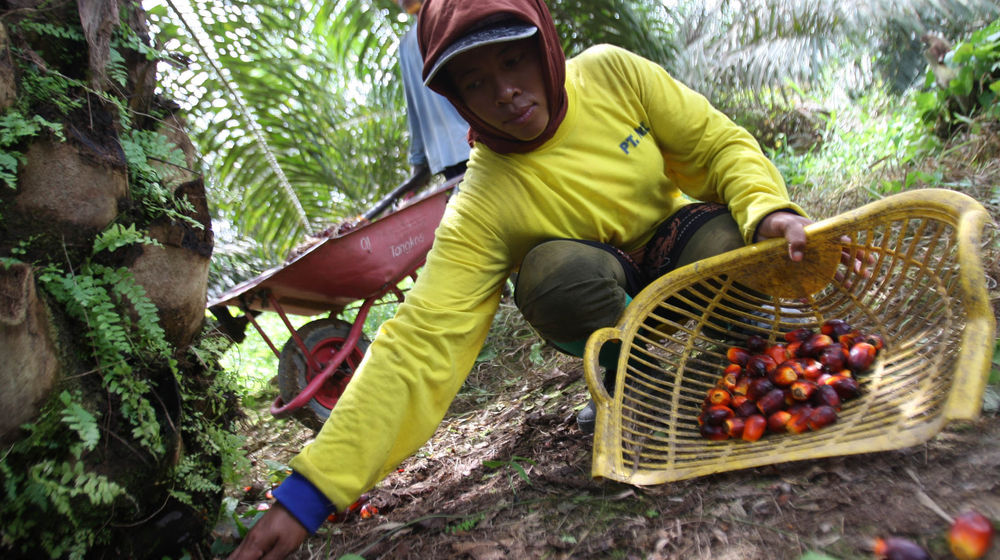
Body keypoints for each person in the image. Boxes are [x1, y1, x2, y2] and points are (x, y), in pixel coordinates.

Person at [228, 0, 815, 557]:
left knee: (727, 244)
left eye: (512, 61)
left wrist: (770, 210)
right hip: (601, 295)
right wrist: (309, 495)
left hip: (676, 246)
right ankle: (635, 387)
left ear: (545, 47)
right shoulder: (482, 201)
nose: (505, 93)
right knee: (553, 276)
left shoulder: (613, 74)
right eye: (475, 82)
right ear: (456, 98)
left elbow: (716, 144)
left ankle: (767, 346)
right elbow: (421, 344)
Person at [395, 0, 470, 193]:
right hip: (479, 143)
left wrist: (419, 162)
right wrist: (419, 160)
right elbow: (415, 110)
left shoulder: (408, 45)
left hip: (455, 154)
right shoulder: (408, 45)